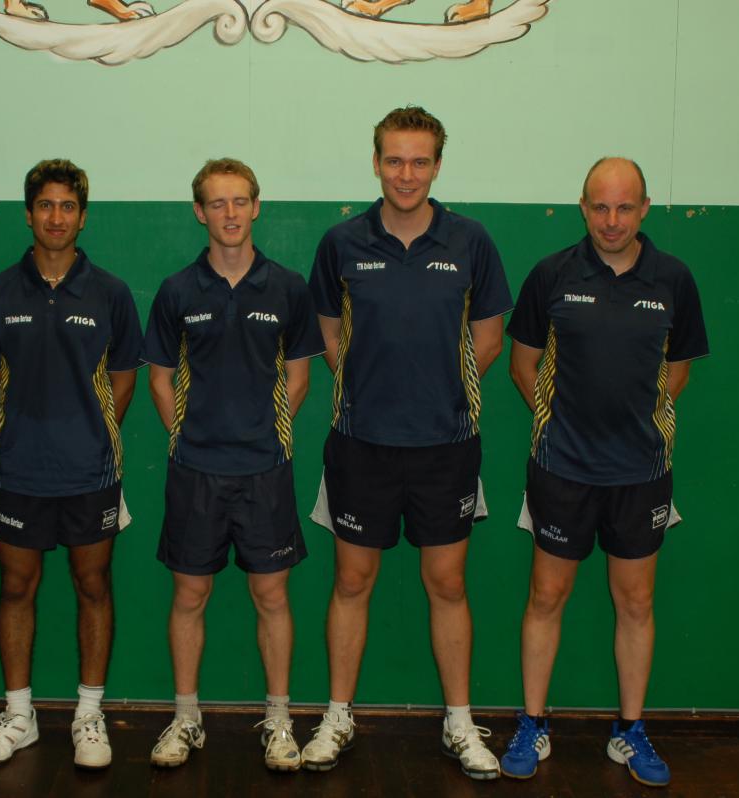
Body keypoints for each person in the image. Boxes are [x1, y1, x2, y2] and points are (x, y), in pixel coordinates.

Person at [304, 106, 512, 778]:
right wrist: (364, 387)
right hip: (359, 443)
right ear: (376, 163)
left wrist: (442, 394)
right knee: (351, 580)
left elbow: (488, 337)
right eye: (394, 159)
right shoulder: (341, 242)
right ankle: (338, 716)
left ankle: (459, 721)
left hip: (446, 445)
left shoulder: (471, 240)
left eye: (420, 161)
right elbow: (327, 330)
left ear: (437, 166)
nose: (406, 173)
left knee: (447, 583)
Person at [500, 157, 708, 788]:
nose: (611, 220)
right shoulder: (551, 275)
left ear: (644, 208)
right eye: (600, 207)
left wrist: (638, 424)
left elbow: (678, 370)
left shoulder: (674, 278)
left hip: (641, 473)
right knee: (546, 596)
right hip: (561, 470)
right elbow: (521, 364)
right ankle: (533, 722)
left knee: (636, 601)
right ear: (583, 207)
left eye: (624, 207)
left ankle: (630, 730)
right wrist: (558, 425)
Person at [142, 158, 324, 772]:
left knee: (271, 594)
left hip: (265, 470)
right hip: (195, 470)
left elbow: (299, 377)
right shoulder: (176, 290)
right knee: (189, 593)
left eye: (240, 201)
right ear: (200, 212)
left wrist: (264, 435)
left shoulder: (287, 287)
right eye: (217, 203)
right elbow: (159, 379)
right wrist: (186, 438)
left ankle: (279, 720)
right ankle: (185, 718)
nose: (229, 213)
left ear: (256, 207)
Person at [0, 159, 143, 770]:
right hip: (16, 470)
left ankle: (88, 715)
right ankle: (20, 716)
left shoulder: (111, 293)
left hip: (90, 471)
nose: (56, 216)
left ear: (82, 216)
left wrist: (90, 433)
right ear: (28, 214)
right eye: (45, 205)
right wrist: (21, 428)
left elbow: (124, 377)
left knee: (93, 585)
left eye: (68, 206)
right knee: (16, 587)